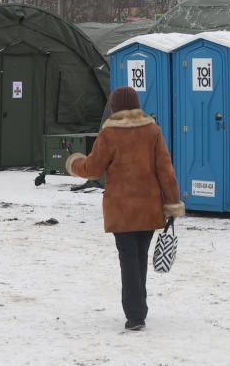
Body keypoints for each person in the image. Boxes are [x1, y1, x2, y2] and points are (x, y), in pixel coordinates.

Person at [66, 86, 184, 331]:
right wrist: (172, 203)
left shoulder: (109, 134)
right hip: (149, 207)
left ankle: (135, 315)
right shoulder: (152, 131)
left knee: (128, 259)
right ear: (137, 104)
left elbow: (92, 169)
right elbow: (166, 172)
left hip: (121, 210)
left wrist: (73, 162)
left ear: (114, 107)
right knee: (139, 258)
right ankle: (139, 308)